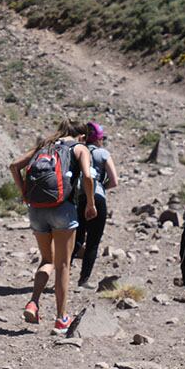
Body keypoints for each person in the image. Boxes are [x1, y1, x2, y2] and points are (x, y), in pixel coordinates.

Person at [9, 120, 96, 335]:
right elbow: (87, 175)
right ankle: (61, 319)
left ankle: (33, 302)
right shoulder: (79, 148)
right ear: (81, 136)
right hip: (62, 209)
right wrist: (91, 204)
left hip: (36, 209)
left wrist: (23, 193)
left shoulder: (45, 146)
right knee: (63, 265)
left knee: (47, 259)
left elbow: (14, 166)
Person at [73, 122, 119, 287]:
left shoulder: (77, 151)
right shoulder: (103, 153)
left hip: (80, 198)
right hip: (97, 197)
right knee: (93, 240)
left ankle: (61, 273)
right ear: (98, 139)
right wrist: (101, 188)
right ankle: (83, 279)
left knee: (76, 238)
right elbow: (114, 181)